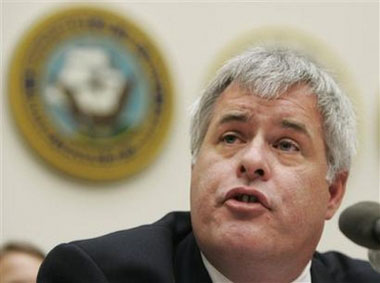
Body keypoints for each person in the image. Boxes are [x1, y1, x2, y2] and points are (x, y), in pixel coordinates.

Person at [37, 47, 380, 282]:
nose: (252, 160)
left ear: (333, 191)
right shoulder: (97, 275)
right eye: (231, 138)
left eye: (286, 144)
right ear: (195, 167)